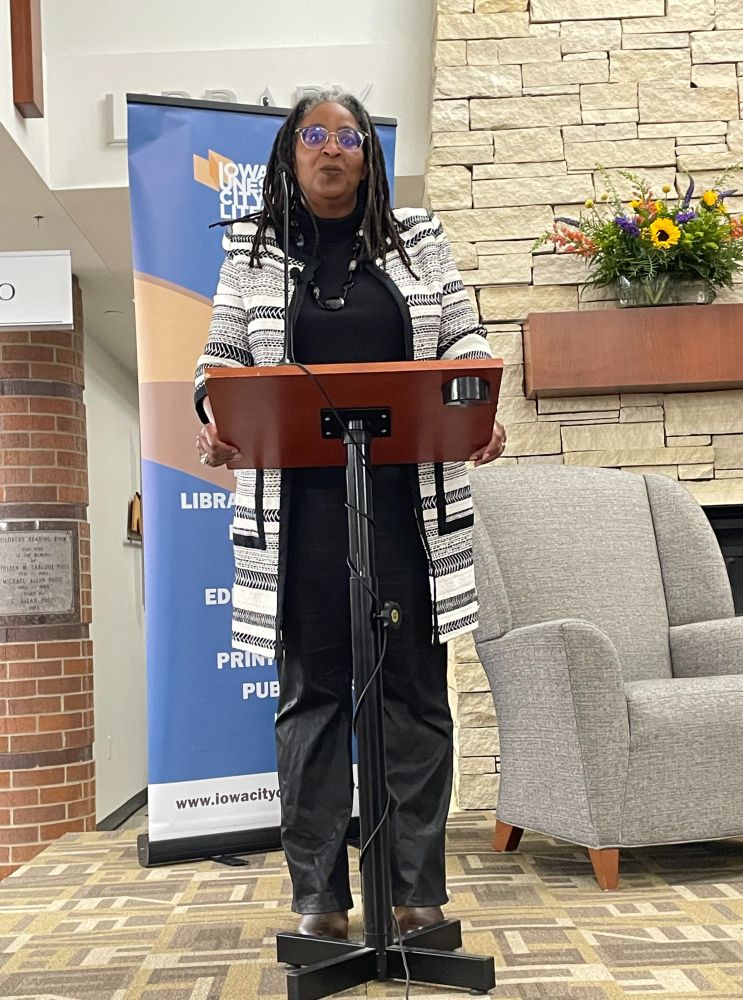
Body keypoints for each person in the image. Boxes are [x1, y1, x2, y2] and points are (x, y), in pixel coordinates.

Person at [194, 91, 506, 940]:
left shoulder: (420, 240)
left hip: (407, 510)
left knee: (413, 696)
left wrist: (479, 401)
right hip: (300, 519)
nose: (330, 150)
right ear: (290, 155)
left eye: (348, 136)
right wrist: (213, 421)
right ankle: (321, 900)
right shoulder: (252, 254)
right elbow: (218, 361)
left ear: (369, 155)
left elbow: (464, 341)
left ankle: (415, 896)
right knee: (314, 701)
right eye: (313, 136)